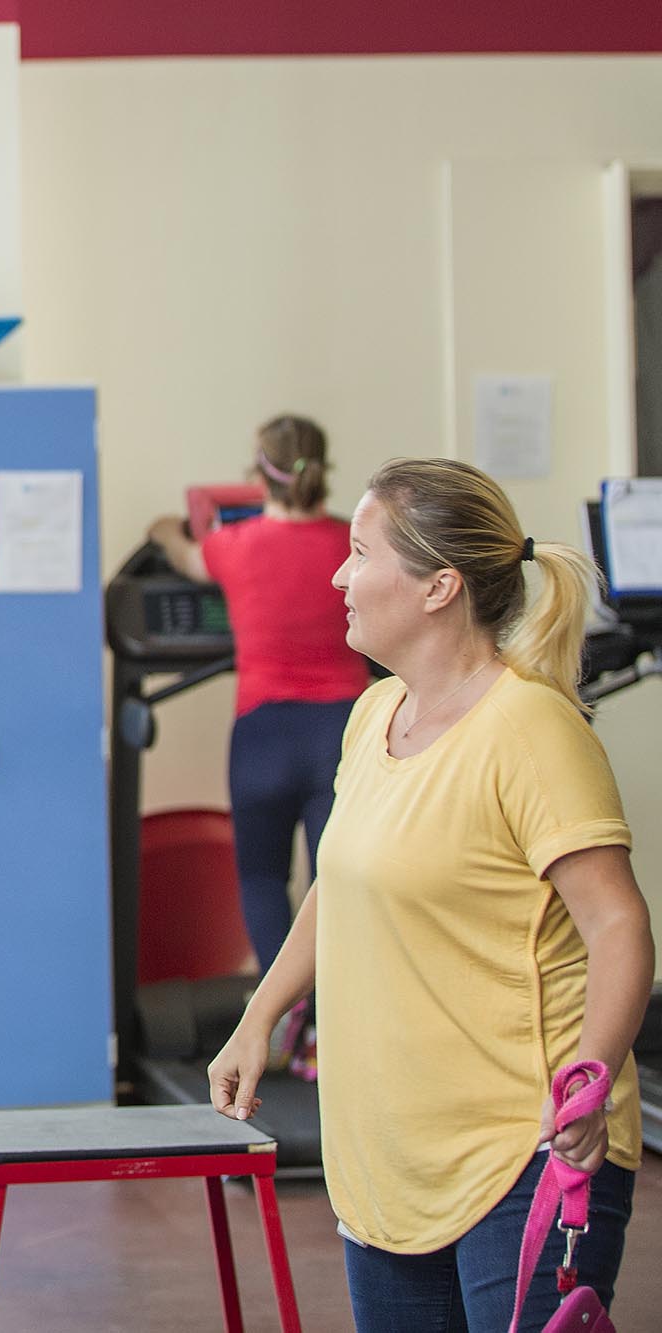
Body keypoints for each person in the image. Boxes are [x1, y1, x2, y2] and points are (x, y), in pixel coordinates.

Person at [206, 458, 652, 1332]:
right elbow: (338, 883)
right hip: (390, 1157)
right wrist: (258, 1017)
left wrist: (589, 1083)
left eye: (360, 552)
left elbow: (619, 921)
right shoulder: (376, 714)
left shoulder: (530, 728)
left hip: (524, 1147)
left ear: (440, 586)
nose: (339, 574)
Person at [148, 415, 370, 1075]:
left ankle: (286, 1014)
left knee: (261, 878)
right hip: (341, 729)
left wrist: (167, 523)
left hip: (265, 733)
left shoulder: (233, 544)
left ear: (258, 472)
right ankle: (332, 1027)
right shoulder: (350, 542)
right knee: (341, 881)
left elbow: (178, 546)